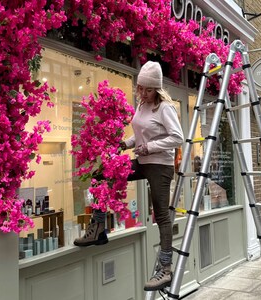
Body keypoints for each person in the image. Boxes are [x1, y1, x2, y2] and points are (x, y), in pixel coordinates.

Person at [74, 61, 184, 291]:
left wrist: (150, 147)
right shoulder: (141, 106)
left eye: (148, 89)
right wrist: (124, 143)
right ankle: (98, 229)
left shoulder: (165, 108)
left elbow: (177, 138)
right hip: (142, 161)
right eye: (140, 88)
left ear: (157, 88)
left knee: (161, 216)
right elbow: (139, 134)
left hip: (159, 165)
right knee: (100, 175)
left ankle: (165, 269)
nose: (143, 93)